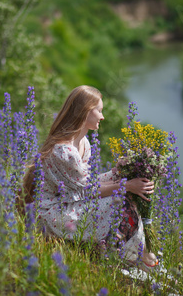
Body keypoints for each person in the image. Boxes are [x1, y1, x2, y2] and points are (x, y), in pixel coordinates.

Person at [22, 85, 159, 269]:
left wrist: (119, 171)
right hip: (52, 213)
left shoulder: (83, 142)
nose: (102, 117)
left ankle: (134, 255)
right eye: (99, 111)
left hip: (68, 202)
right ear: (85, 112)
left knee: (125, 198)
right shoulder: (65, 150)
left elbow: (86, 182)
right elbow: (88, 190)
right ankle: (134, 259)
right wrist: (126, 185)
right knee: (120, 202)